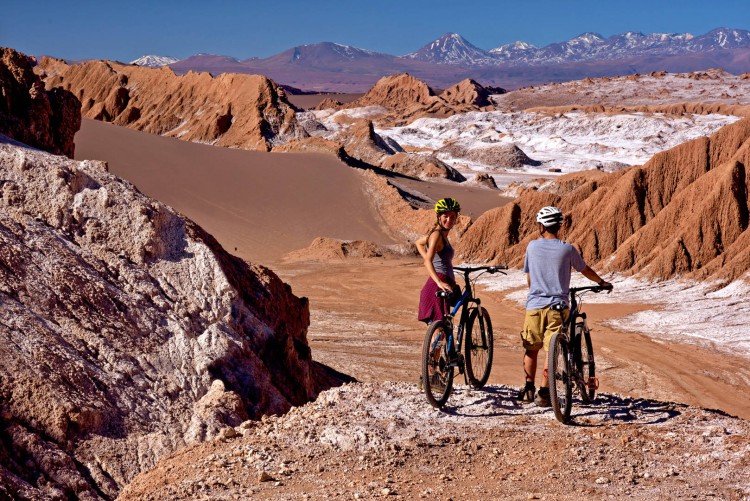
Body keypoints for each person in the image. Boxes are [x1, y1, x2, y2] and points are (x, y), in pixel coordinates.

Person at [518, 206, 612, 407]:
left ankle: (528, 389)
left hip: (534, 306)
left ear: (542, 226)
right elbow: (585, 269)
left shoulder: (532, 247)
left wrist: (536, 292)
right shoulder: (567, 249)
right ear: (559, 226)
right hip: (558, 308)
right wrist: (601, 282)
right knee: (551, 349)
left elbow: (529, 276)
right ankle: (544, 392)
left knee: (531, 348)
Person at [416, 198, 461, 324]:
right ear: (438, 216)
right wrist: (439, 282)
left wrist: (430, 260)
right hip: (438, 286)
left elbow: (418, 243)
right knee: (440, 333)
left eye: (452, 216)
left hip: (444, 283)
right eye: (445, 216)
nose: (449, 220)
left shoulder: (441, 235)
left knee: (442, 332)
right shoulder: (436, 235)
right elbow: (427, 262)